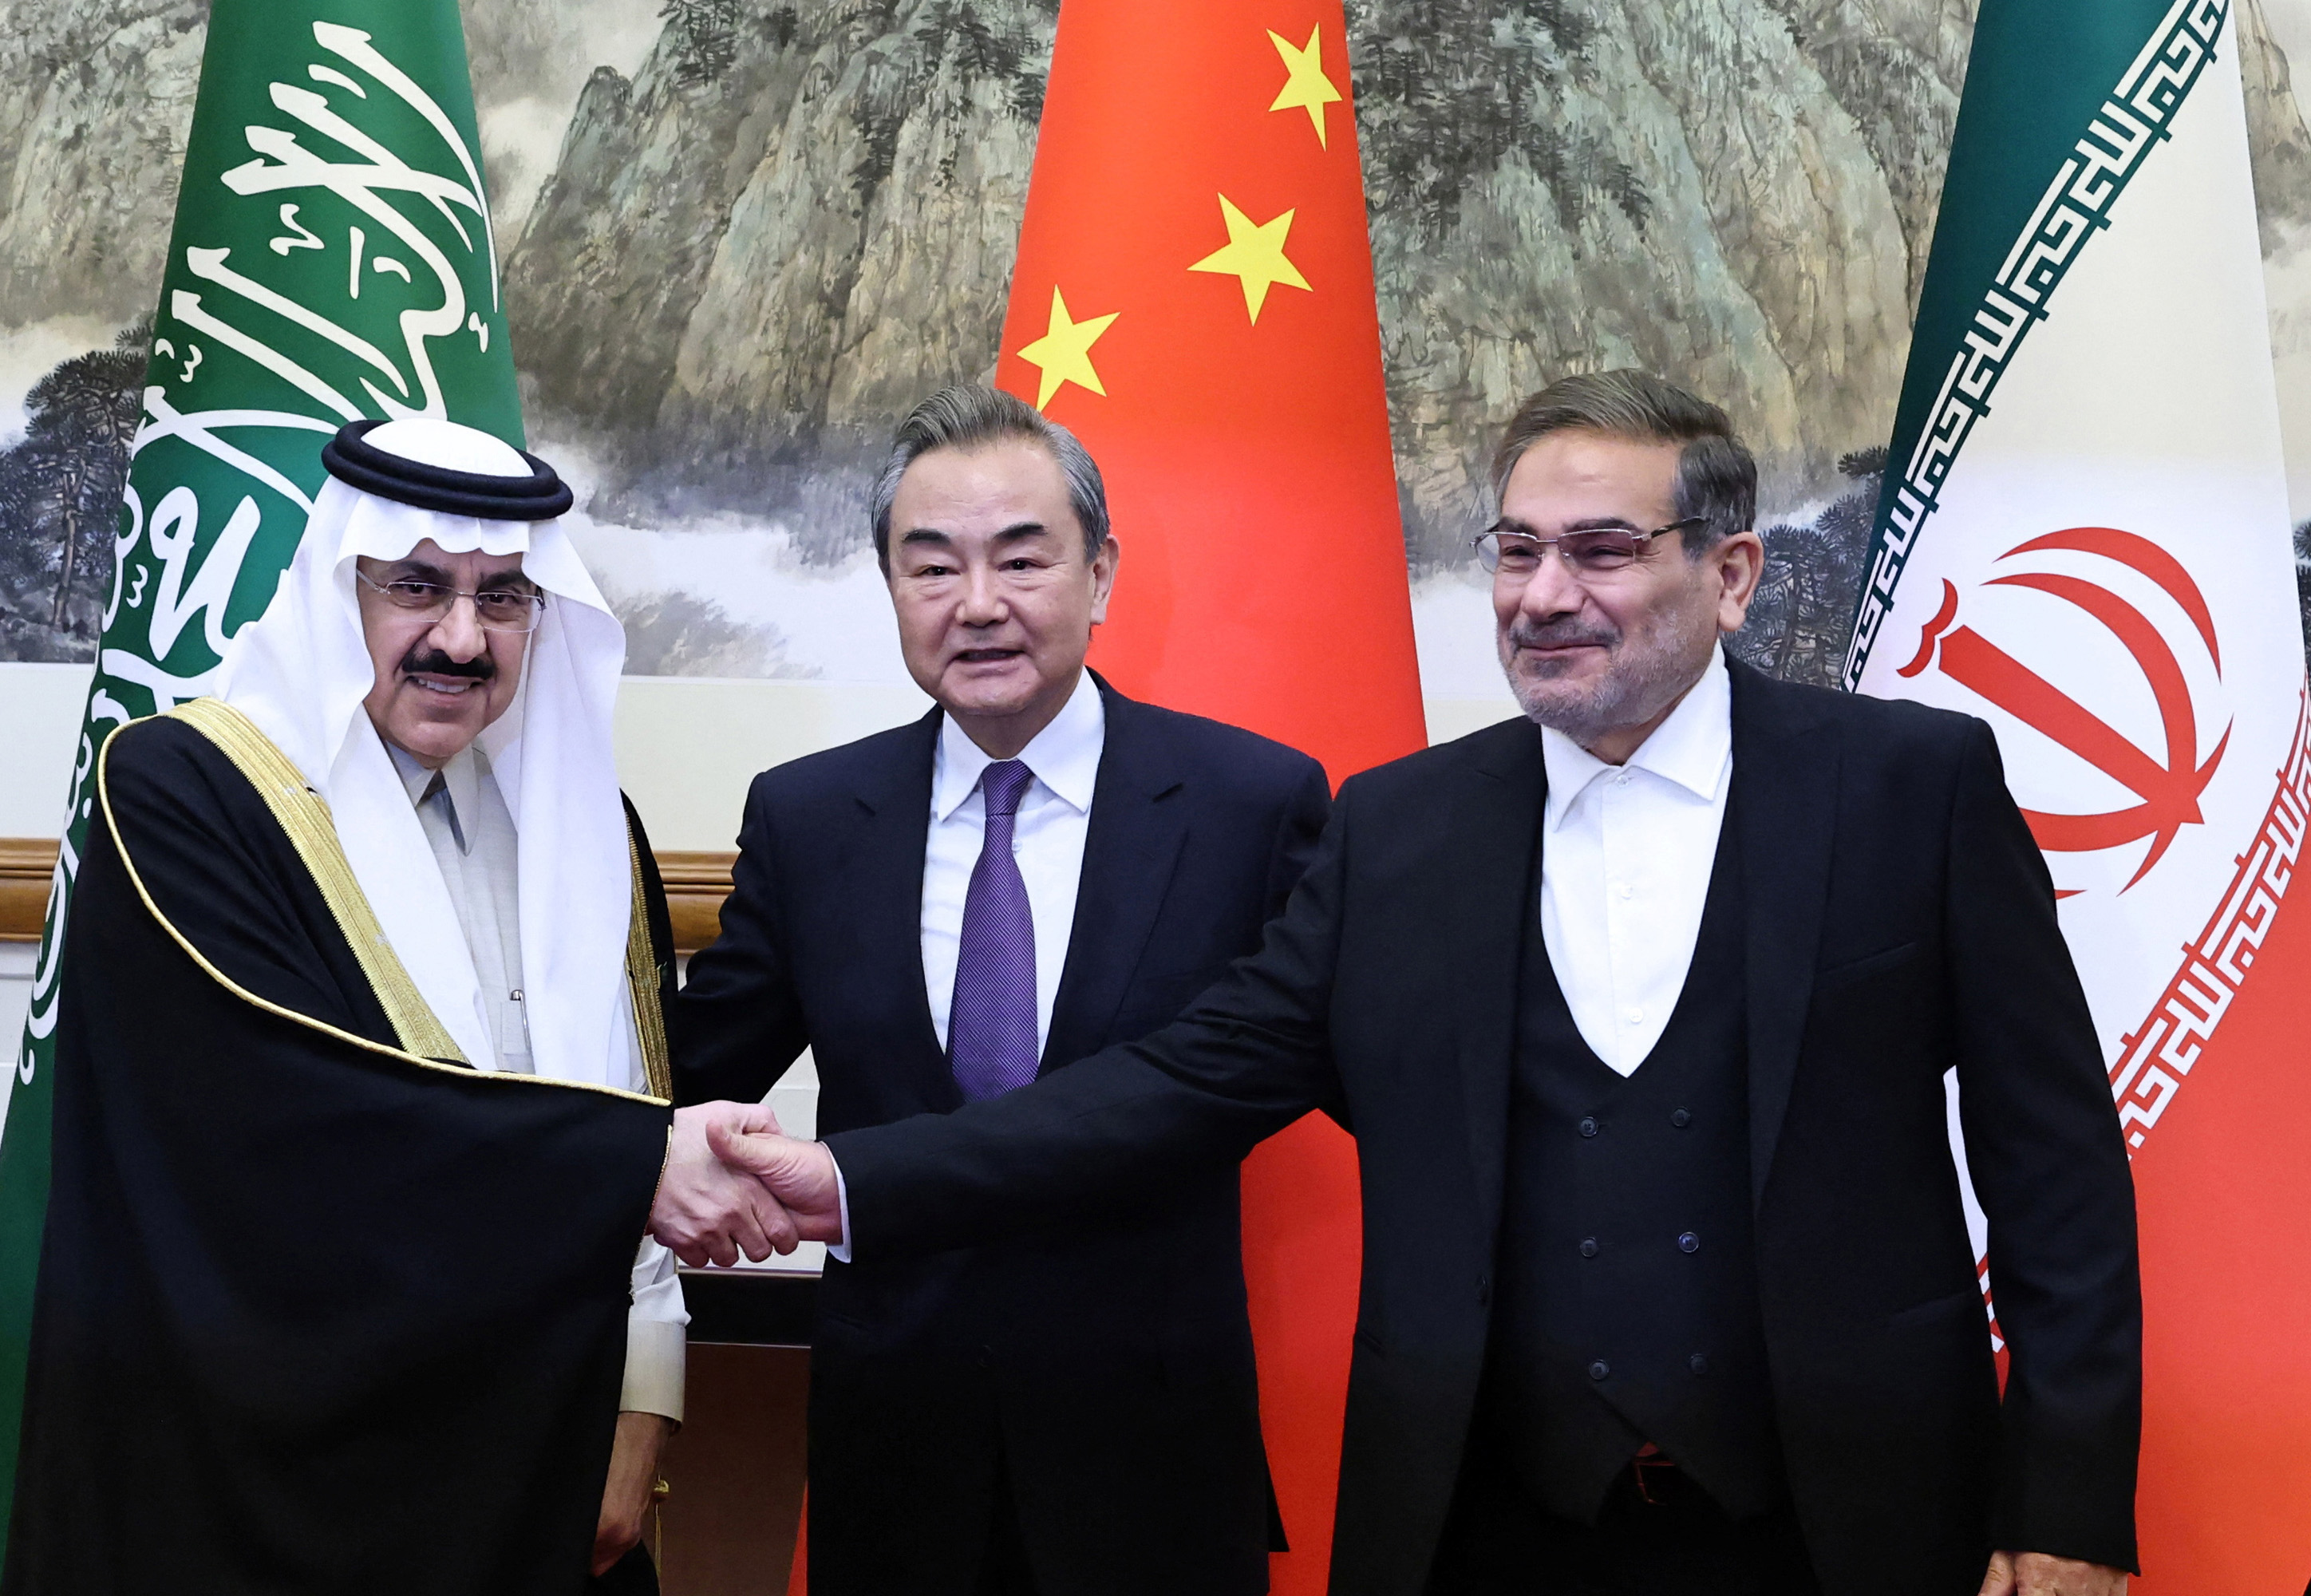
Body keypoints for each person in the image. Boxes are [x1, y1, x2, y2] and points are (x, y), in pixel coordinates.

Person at [706, 373, 2145, 1596]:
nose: (1544, 596)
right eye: (1515, 552)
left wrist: (2068, 1504)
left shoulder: (1913, 788)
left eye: (1600, 550)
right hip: (1484, 1526)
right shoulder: (1401, 829)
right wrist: (853, 1185)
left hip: (1849, 1519)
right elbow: (1181, 1081)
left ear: (1732, 573)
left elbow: (2057, 1164)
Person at [5, 417, 798, 1596]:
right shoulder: (185, 792)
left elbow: (642, 1093)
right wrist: (637, 1162)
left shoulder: (589, 833)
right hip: (267, 1482)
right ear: (340, 594)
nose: (463, 638)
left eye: (507, 598)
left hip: (547, 1461)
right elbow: (289, 1118)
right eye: (417, 587)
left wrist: (644, 1404)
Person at [664, 384, 1331, 1595]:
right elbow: (690, 1071)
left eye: (1022, 561)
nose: (978, 606)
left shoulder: (1248, 807)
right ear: (889, 589)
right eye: (932, 568)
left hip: (1153, 1465)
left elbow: (1250, 1081)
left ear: (1101, 574)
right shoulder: (810, 818)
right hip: (895, 1455)